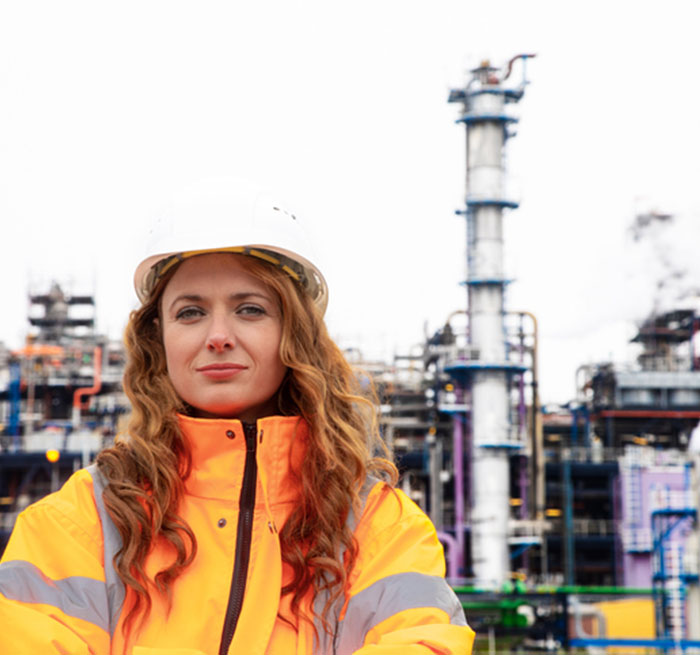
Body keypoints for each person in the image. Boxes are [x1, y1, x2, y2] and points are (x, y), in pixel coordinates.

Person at [0, 181, 474, 654]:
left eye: (250, 309)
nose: (219, 336)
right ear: (158, 337)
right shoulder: (87, 518)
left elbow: (423, 642)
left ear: (295, 332)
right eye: (190, 313)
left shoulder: (376, 526)